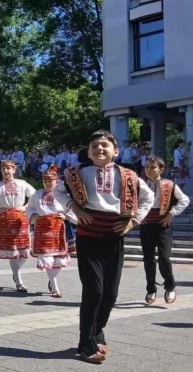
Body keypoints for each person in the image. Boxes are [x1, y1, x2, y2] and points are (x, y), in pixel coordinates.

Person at [53, 130, 154, 364]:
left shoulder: (128, 175)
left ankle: (98, 330)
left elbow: (148, 198)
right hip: (88, 236)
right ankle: (85, 343)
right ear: (88, 152)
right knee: (94, 290)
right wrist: (75, 209)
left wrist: (134, 220)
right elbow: (57, 192)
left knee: (110, 293)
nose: (100, 149)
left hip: (114, 236)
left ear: (116, 152)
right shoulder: (77, 173)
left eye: (105, 145)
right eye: (95, 146)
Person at [141, 155, 190, 305]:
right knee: (148, 258)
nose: (149, 170)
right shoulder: (140, 184)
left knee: (164, 257)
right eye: (147, 167)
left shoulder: (169, 184)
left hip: (163, 225)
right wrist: (137, 215)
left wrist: (171, 213)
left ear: (161, 169)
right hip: (147, 225)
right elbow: (132, 202)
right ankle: (151, 288)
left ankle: (170, 286)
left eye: (153, 167)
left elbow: (184, 200)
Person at [0, 160, 36, 292]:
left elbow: (35, 197)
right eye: (4, 168)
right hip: (5, 219)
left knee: (24, 250)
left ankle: (16, 272)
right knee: (13, 251)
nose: (6, 171)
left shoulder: (22, 184)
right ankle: (19, 281)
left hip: (21, 217)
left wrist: (25, 206)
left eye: (8, 168)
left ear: (14, 170)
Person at [26, 164, 77, 298]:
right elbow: (30, 207)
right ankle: (55, 286)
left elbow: (72, 208)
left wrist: (65, 216)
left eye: (50, 180)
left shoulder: (63, 194)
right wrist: (34, 216)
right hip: (43, 228)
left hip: (59, 228)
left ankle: (52, 279)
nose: (47, 183)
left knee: (58, 258)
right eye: (45, 180)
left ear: (57, 181)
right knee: (47, 256)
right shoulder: (37, 194)